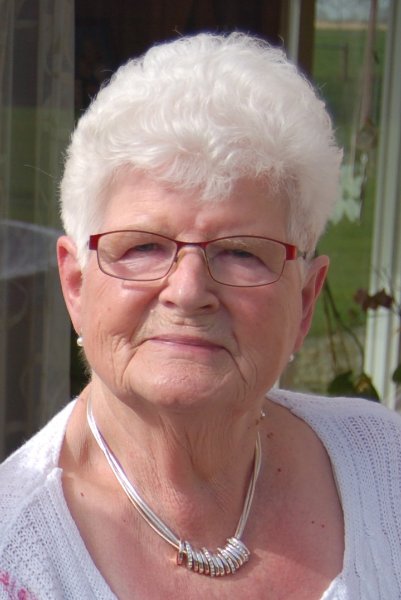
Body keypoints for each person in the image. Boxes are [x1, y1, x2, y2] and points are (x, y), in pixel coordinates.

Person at [1, 32, 400, 600]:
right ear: (76, 285)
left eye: (241, 252)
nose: (188, 292)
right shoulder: (15, 556)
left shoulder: (386, 469)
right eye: (143, 247)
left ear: (306, 300)